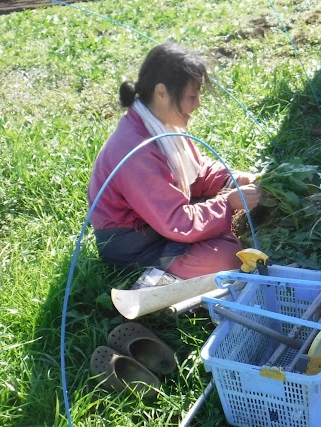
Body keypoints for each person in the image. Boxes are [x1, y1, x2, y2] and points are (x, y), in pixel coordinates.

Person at [87, 43, 261, 280]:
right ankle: (152, 278)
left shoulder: (161, 124)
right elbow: (177, 221)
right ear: (162, 93)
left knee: (231, 242)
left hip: (158, 222)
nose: (197, 103)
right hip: (136, 243)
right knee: (229, 257)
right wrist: (228, 204)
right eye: (192, 96)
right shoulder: (136, 150)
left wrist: (233, 179)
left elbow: (197, 172)